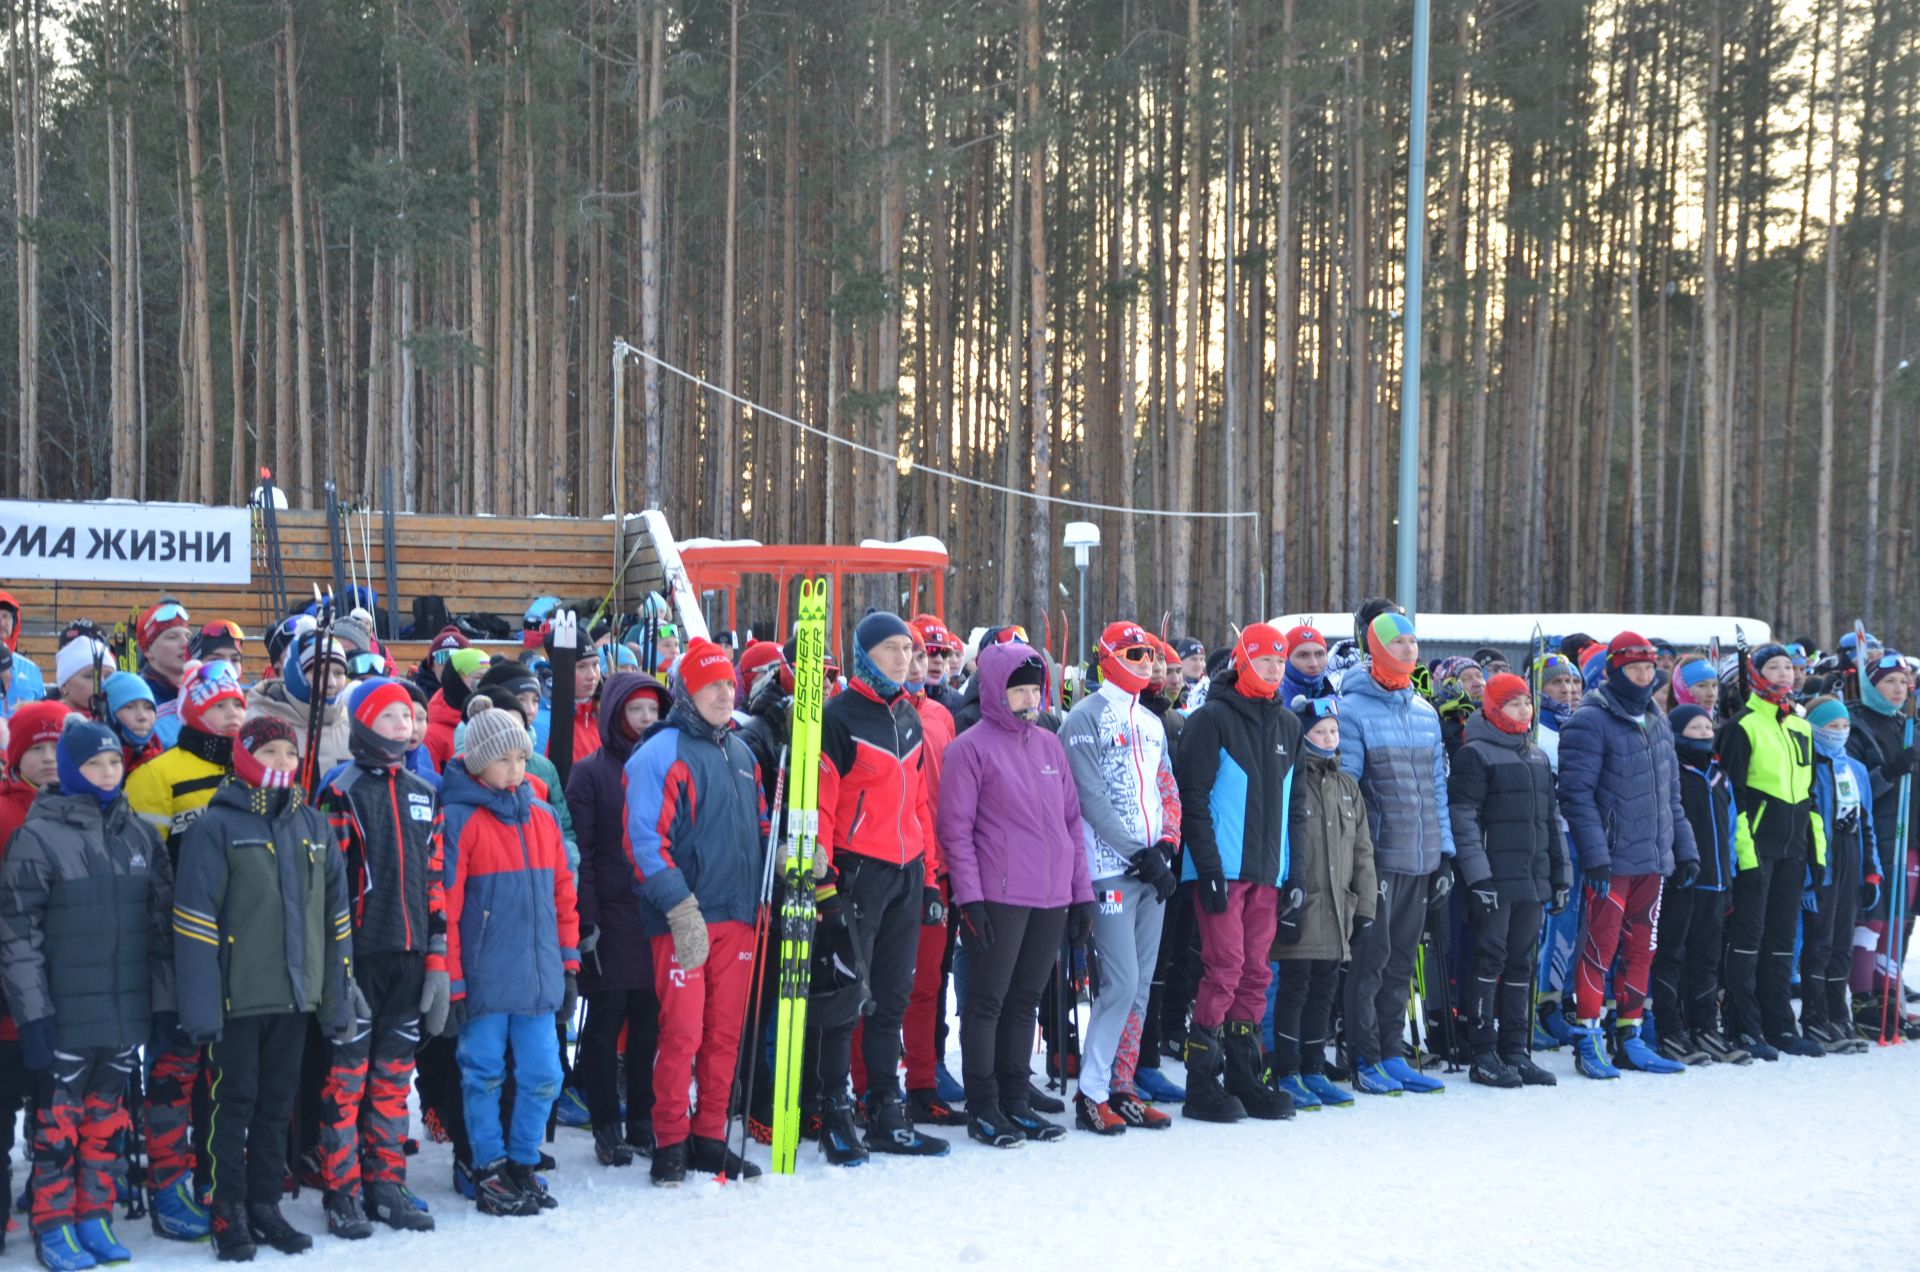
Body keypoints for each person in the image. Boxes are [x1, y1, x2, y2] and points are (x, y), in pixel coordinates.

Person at [173, 715, 355, 1261]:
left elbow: (336, 919)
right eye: (269, 751)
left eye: (287, 752)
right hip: (236, 998)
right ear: (246, 758)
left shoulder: (314, 825)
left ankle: (264, 1204)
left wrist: (335, 995)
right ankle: (226, 1207)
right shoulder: (216, 827)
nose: (280, 761)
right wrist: (202, 1007)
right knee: (234, 1103)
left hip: (296, 996)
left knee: (278, 1106)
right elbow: (194, 920)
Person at [0, 718, 172, 1270]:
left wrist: (163, 1002)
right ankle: (52, 1221)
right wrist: (32, 1015)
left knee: (107, 1123)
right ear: (73, 770)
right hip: (66, 1014)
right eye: (95, 764)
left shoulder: (138, 834)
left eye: (114, 763)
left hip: (123, 1013)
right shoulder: (38, 835)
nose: (107, 772)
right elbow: (17, 932)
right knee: (56, 1128)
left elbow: (160, 929)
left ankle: (94, 1213)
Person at [622, 638, 767, 1185]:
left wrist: (780, 861)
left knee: (724, 1032)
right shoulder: (660, 753)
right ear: (687, 691)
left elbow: (757, 828)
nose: (724, 693)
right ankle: (671, 1141)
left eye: (729, 683)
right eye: (712, 685)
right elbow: (642, 840)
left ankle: (709, 1135)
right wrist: (678, 905)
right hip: (686, 916)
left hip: (739, 915)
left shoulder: (743, 753)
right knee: (682, 1032)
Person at [938, 643, 1093, 1145]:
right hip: (999, 895)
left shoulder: (1049, 746)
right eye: (1019, 688)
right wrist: (970, 899)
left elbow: (1072, 822)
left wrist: (1081, 894)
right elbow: (955, 831)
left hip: (1050, 897)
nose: (1029, 698)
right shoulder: (969, 748)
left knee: (1025, 1000)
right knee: (988, 1002)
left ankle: (1015, 1098)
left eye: (1035, 688)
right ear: (996, 690)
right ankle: (983, 1105)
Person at [808, 611, 947, 1163]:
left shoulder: (909, 718)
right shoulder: (837, 718)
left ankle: (887, 1109)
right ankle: (835, 1111)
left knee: (891, 997)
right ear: (866, 655)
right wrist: (822, 879)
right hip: (856, 870)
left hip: (906, 871)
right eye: (891, 648)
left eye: (908, 649)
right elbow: (817, 801)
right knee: (845, 998)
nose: (903, 658)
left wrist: (931, 879)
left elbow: (918, 806)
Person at [313, 678, 445, 1237]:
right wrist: (339, 968)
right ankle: (341, 1188)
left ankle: (385, 1180)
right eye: (390, 717)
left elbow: (435, 879)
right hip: (360, 959)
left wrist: (437, 957)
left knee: (394, 1080)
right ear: (364, 723)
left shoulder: (424, 790)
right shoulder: (340, 790)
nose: (405, 725)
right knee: (346, 1080)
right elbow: (327, 889)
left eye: (407, 718)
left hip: (411, 958)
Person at [122, 658, 246, 1238]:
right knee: (174, 1066)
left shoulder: (248, 772)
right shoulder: (158, 775)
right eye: (221, 705)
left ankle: (215, 1173)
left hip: (240, 948)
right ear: (195, 708)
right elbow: (144, 872)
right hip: (176, 946)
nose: (232, 715)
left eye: (239, 706)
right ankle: (167, 1180)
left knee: (223, 1070)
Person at [440, 707, 579, 1216]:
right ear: (477, 763)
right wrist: (452, 982)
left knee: (545, 1073)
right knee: (482, 1074)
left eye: (523, 757)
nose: (516, 769)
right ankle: (487, 1165)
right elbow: (447, 907)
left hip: (538, 980)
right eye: (504, 759)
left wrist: (568, 966)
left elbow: (564, 896)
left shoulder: (541, 818)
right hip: (483, 983)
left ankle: (522, 1160)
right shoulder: (459, 820)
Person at [1556, 632, 1698, 1079]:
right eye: (1635, 669)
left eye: (1649, 669)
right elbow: (1575, 795)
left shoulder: (1657, 722)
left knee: (1642, 950)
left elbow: (1670, 796)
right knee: (1600, 949)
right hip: (1611, 861)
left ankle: (1630, 1036)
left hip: (1651, 860)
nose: (1643, 676)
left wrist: (1685, 848)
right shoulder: (1590, 720)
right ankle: (1588, 1037)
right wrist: (1595, 854)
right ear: (1616, 672)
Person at [1175, 623, 1302, 1122]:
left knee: (1255, 973)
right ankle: (1201, 1081)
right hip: (1223, 871)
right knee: (1224, 970)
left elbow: (1296, 809)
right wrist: (1206, 867)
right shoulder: (1212, 720)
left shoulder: (1290, 726)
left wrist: (1297, 872)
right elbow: (1193, 799)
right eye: (1265, 660)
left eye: (1279, 661)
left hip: (1267, 872)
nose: (1274, 669)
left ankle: (1245, 1076)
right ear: (1243, 662)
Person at [1062, 622, 1183, 1128]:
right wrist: (1141, 853)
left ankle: (1122, 1084)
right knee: (1119, 982)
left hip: (1151, 871)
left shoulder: (1152, 723)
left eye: (1151, 654)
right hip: (1110, 870)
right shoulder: (1083, 718)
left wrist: (1169, 844)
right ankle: (1091, 1092)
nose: (1147, 663)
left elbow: (1166, 788)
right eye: (1136, 653)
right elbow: (1090, 799)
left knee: (1140, 987)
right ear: (1108, 656)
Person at [1337, 608, 1455, 1095]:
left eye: (1412, 641)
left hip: (1421, 858)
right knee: (1372, 960)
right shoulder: (1352, 708)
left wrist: (1445, 853)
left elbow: (1437, 790)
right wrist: (1354, 859)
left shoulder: (1425, 713)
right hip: (1379, 857)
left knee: (1403, 961)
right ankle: (1363, 1056)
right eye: (1398, 642)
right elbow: (1347, 791)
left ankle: (1391, 1050)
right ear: (1375, 650)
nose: (1409, 649)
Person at [566, 672, 668, 1166]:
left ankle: (643, 1117)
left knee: (650, 1020)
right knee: (606, 1022)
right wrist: (585, 919)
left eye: (653, 711)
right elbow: (582, 851)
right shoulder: (590, 773)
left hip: (655, 910)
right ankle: (606, 1122)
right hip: (609, 909)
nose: (646, 720)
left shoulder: (666, 763)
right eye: (636, 711)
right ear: (615, 714)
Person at [1445, 673, 1567, 1089]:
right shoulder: (1474, 754)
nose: (1524, 711)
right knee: (1489, 960)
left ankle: (1517, 1049)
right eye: (1514, 704)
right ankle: (1483, 1051)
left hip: (1531, 879)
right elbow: (1463, 819)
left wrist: (1560, 874)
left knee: (1522, 964)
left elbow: (1550, 820)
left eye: (1527, 704)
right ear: (1494, 708)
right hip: (1494, 879)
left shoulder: (1536, 757)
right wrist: (1478, 878)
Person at [1717, 643, 1825, 1060]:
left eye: (1789, 668)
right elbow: (1734, 799)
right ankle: (1744, 1025)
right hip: (1756, 849)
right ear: (1757, 674)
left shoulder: (1801, 726)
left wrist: (1816, 853)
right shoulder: (1742, 726)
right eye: (1774, 667)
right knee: (1748, 938)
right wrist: (1745, 856)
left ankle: (1780, 1024)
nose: (1785, 675)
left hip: (1793, 846)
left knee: (1782, 939)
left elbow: (1809, 794)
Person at [1268, 697, 1372, 1111]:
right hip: (1301, 906)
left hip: (1338, 908)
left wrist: (1364, 906)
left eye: (1333, 731)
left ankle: (1314, 1067)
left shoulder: (1347, 786)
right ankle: (1287, 1070)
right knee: (1295, 989)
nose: (1328, 738)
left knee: (1325, 992)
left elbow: (1363, 851)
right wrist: (1283, 899)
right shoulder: (1291, 780)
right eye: (1319, 732)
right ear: (1302, 735)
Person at [1653, 705, 1747, 1065]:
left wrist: (1731, 872)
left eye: (1708, 726)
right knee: (1672, 954)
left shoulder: (1719, 775)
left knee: (1708, 958)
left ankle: (1705, 1025)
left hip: (1716, 880)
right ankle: (1670, 1027)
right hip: (1682, 879)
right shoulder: (1673, 772)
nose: (1705, 732)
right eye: (1695, 727)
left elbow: (1732, 827)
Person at [1800, 696, 1874, 1055]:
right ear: (1815, 727)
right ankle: (1815, 1015)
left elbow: (1868, 822)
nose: (1839, 733)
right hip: (1821, 861)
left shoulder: (1855, 768)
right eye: (1831, 727)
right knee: (1821, 941)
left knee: (1843, 941)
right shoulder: (1807, 764)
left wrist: (1871, 872)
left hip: (1851, 856)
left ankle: (1837, 1011)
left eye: (1844, 727)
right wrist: (1805, 879)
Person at [1847, 652, 1916, 1018]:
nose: (1898, 689)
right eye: (1889, 681)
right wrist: (1890, 772)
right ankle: (1864, 1001)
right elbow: (1854, 787)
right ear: (1872, 684)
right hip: (1877, 835)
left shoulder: (1906, 725)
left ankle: (1891, 996)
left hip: (1909, 837)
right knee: (1873, 918)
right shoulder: (1858, 725)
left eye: (1903, 682)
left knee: (1900, 921)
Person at [137, 601, 194, 747]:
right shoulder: (137, 696)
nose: (185, 643)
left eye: (188, 636)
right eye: (172, 637)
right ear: (148, 651)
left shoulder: (202, 688)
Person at [103, 672, 162, 774]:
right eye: (129, 707)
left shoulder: (162, 760)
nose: (142, 716)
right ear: (108, 712)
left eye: (149, 707)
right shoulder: (89, 764)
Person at [0, 590, 48, 713]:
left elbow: (43, 713)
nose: (1, 623)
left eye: (6, 616)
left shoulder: (31, 669)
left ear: (15, 621)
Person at [53, 637, 111, 716]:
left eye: (108, 677)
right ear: (64, 686)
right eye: (90, 676)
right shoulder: (48, 723)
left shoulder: (124, 721)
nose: (102, 683)